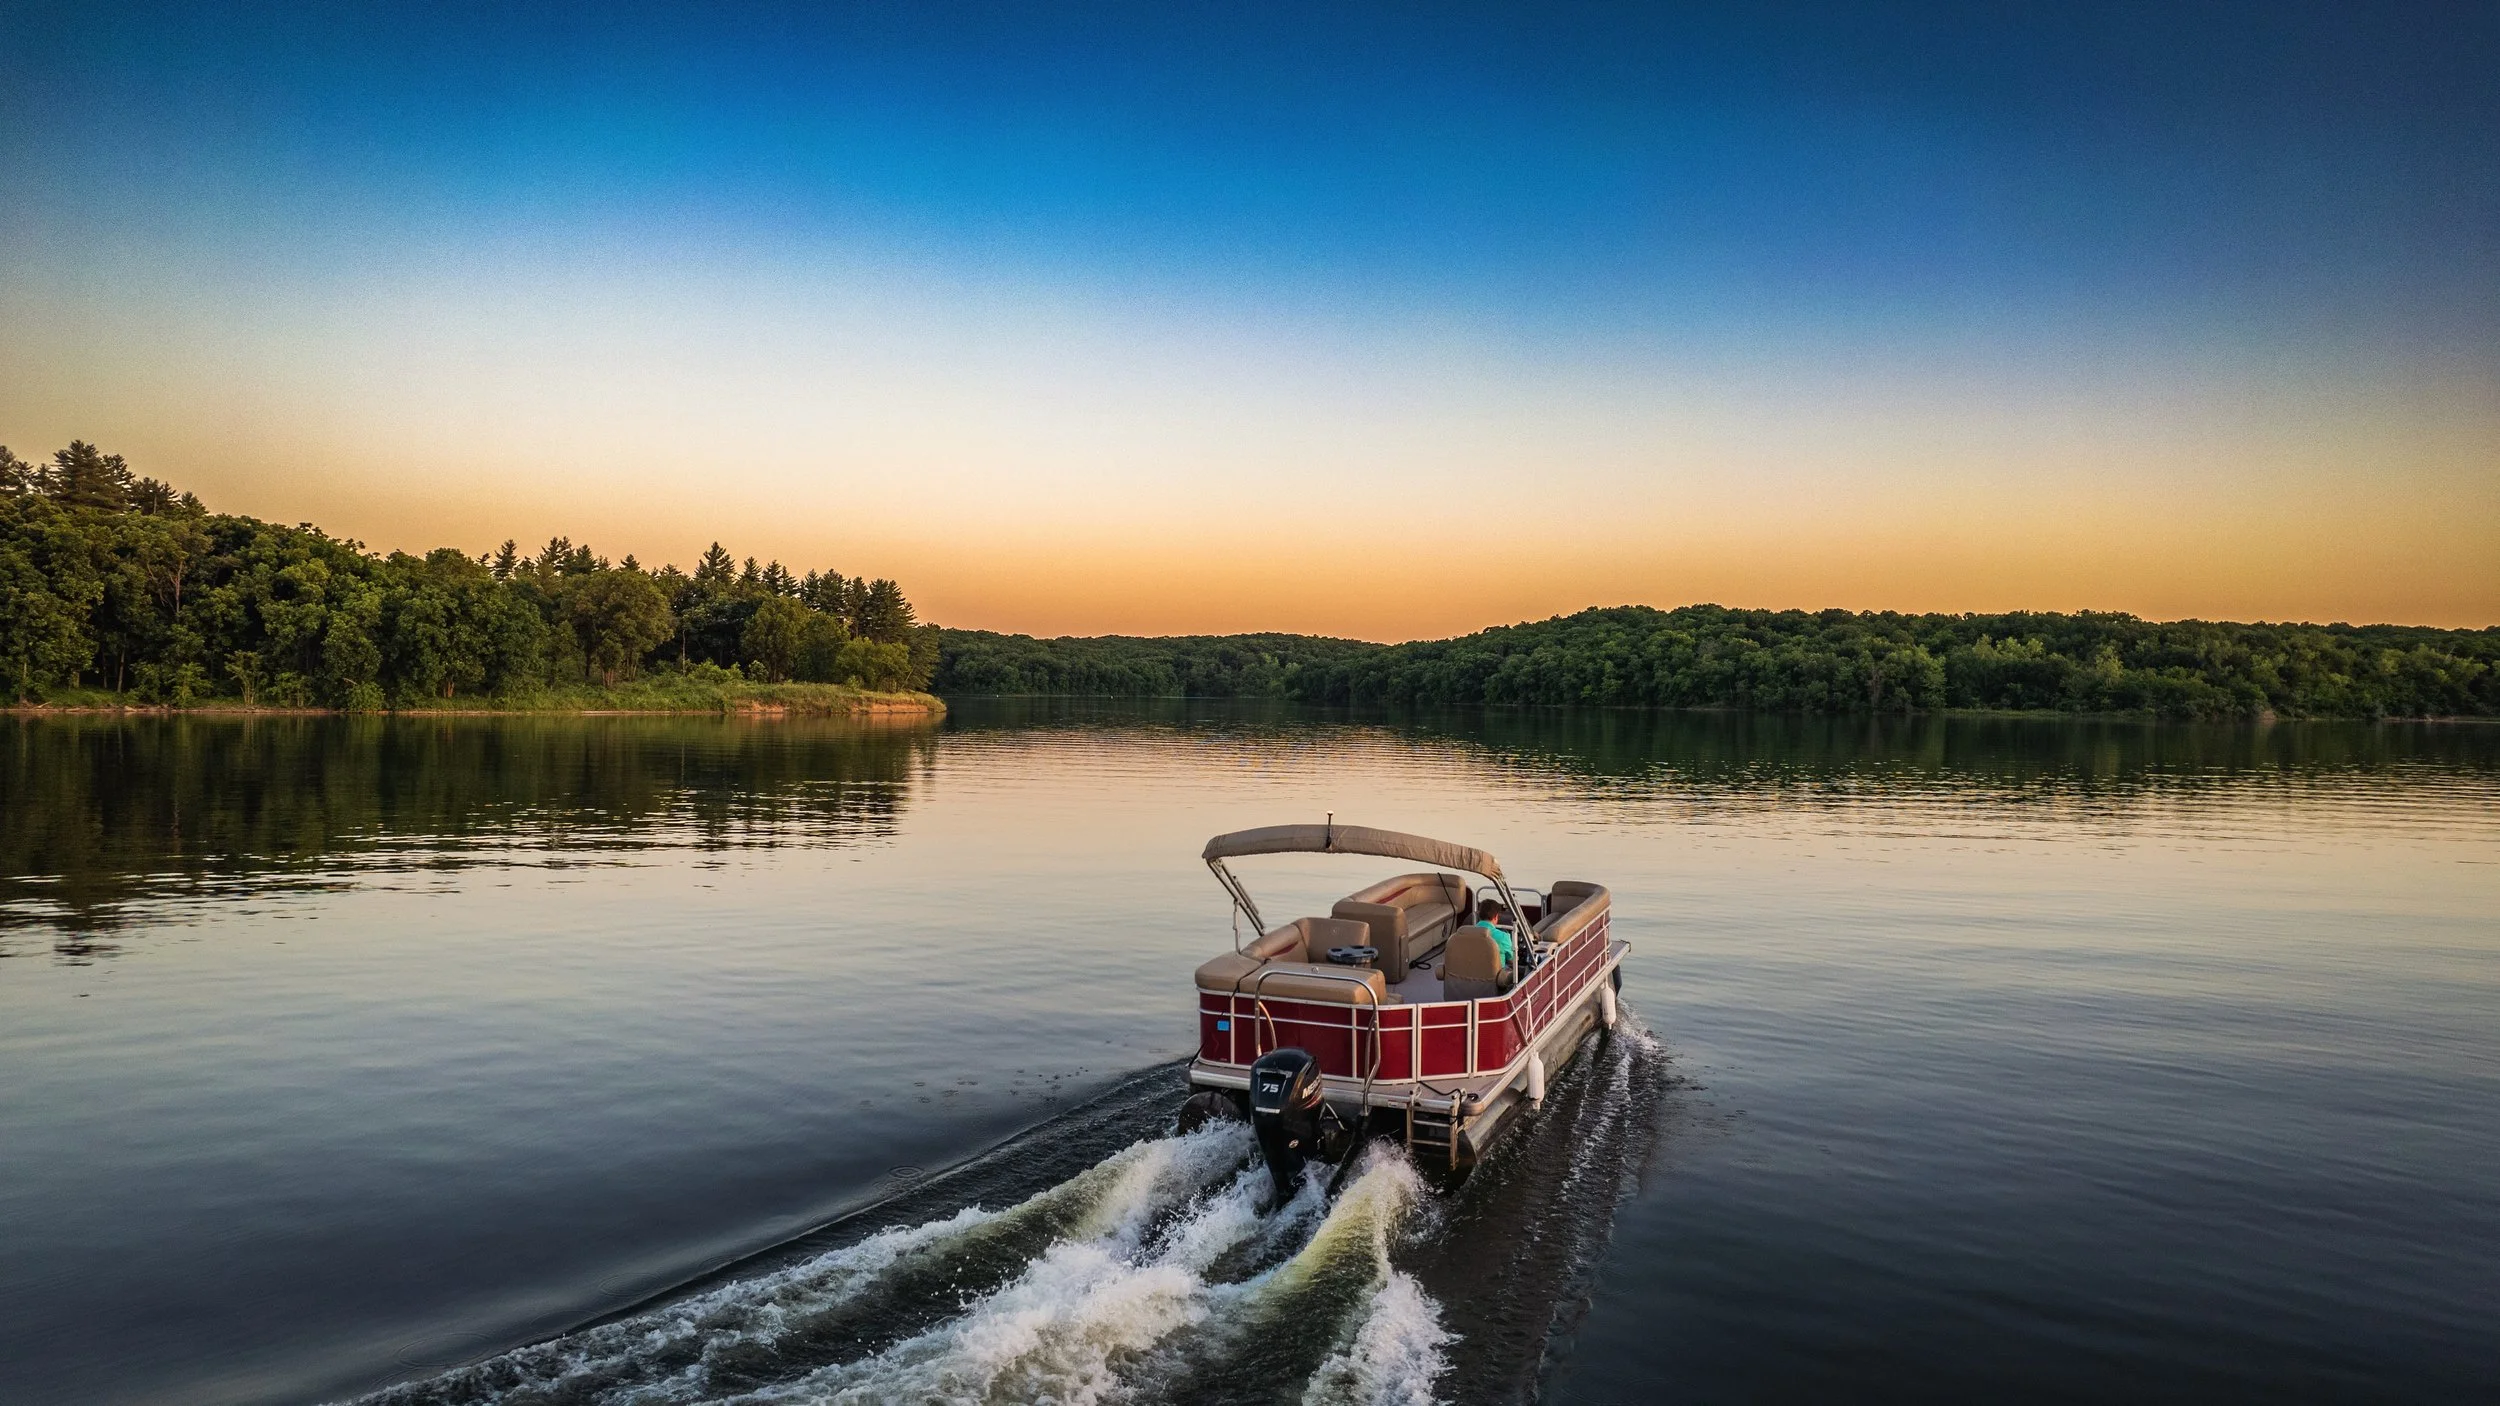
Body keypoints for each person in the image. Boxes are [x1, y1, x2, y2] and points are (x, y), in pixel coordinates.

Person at [1473, 898, 1516, 976]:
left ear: (1479, 915)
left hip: (1471, 975)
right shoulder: (1503, 937)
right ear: (1496, 917)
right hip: (1494, 980)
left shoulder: (1467, 934)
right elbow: (1512, 961)